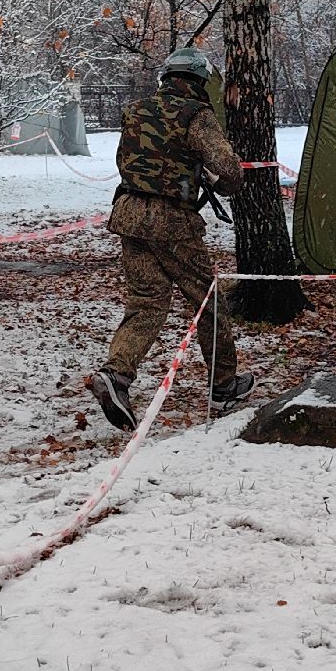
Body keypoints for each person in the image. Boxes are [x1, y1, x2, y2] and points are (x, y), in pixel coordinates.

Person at [87, 47, 255, 431]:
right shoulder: (196, 114)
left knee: (146, 303)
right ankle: (224, 384)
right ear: (199, 80)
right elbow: (228, 171)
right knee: (207, 303)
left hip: (129, 214)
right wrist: (214, 179)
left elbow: (128, 162)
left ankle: (117, 375)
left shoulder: (136, 110)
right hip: (173, 221)